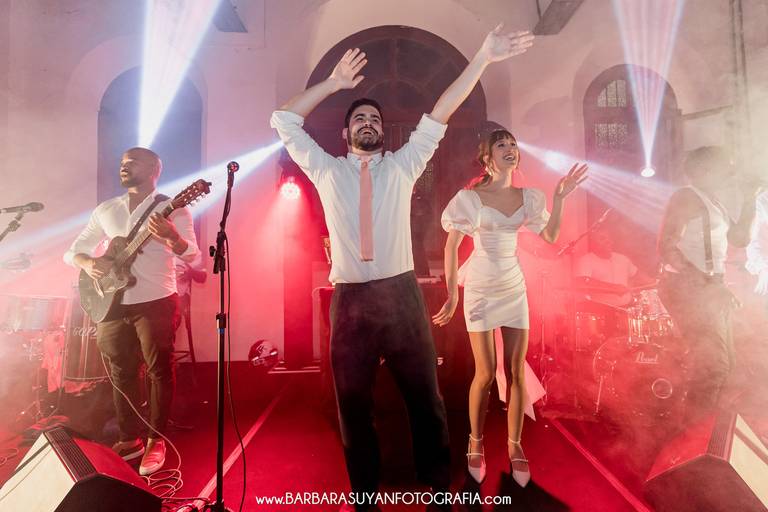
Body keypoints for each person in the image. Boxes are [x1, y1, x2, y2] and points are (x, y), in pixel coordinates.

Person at [270, 25, 534, 509]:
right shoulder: (326, 169)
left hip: (401, 296)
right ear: (346, 133)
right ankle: (364, 498)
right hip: (350, 303)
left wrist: (482, 57)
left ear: (381, 131)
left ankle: (438, 491)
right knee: (353, 408)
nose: (368, 123)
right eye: (359, 118)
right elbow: (283, 119)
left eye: (374, 118)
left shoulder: (402, 165)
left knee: (426, 401)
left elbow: (441, 111)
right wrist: (333, 84)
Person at [434, 128, 586, 486]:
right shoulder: (469, 199)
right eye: (502, 145)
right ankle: (475, 442)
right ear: (487, 158)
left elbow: (550, 236)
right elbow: (451, 247)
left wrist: (559, 198)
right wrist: (453, 295)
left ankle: (515, 445)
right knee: (486, 373)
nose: (510, 149)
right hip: (481, 288)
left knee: (517, 370)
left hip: (513, 287)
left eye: (514, 145)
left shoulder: (529, 197)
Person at [64, 147, 199, 475]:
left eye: (133, 162)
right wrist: (89, 263)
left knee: (159, 371)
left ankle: (156, 440)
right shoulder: (107, 209)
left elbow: (192, 255)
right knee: (121, 372)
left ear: (154, 169)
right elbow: (74, 252)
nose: (124, 167)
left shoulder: (172, 208)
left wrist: (172, 237)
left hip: (156, 300)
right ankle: (130, 438)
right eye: (123, 162)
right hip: (112, 303)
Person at [657, 146, 758, 425]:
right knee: (714, 365)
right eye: (726, 165)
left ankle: (705, 429)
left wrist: (750, 199)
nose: (731, 171)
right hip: (686, 287)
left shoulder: (714, 202)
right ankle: (691, 434)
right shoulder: (686, 197)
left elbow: (740, 238)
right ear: (704, 169)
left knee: (727, 365)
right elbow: (667, 247)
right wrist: (710, 286)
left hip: (708, 288)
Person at [574, 227, 638, 308]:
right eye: (602, 238)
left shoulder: (622, 258)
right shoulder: (586, 260)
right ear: (593, 243)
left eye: (609, 238)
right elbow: (582, 282)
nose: (608, 241)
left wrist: (652, 281)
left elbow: (636, 275)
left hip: (626, 308)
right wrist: (613, 288)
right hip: (600, 310)